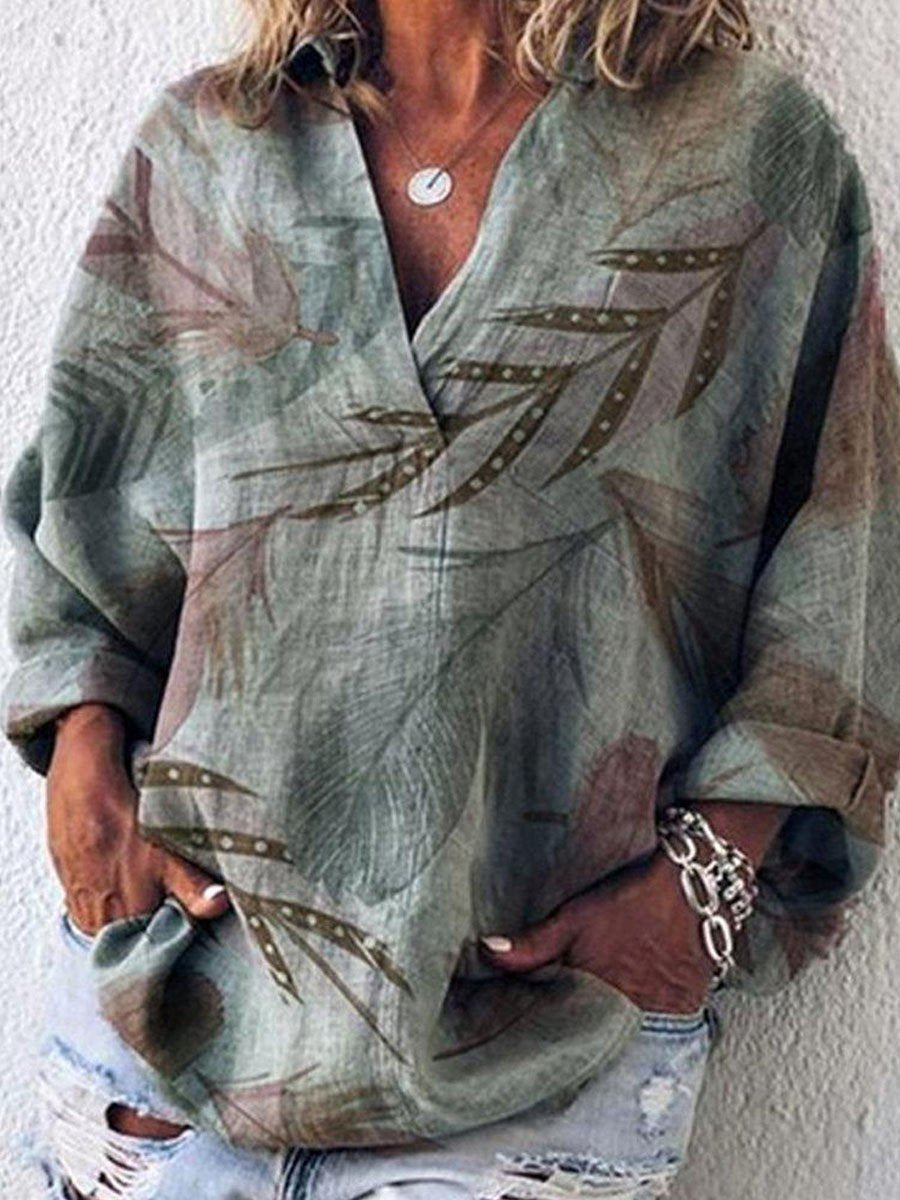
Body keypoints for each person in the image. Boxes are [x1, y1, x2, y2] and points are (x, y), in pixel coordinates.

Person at [3, 0, 900, 1196]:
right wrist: (82, 767)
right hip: (165, 1031)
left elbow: (846, 548)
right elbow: (82, 527)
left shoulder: (740, 147)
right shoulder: (212, 144)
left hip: (538, 1049)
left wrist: (702, 885)